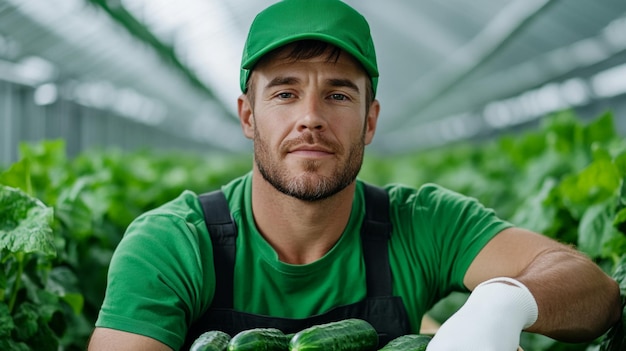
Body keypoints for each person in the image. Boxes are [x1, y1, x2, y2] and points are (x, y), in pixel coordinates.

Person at [88, 0, 621, 350]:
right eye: (285, 92)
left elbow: (594, 292)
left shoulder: (421, 223)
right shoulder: (173, 242)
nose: (311, 116)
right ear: (248, 115)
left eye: (338, 93)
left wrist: (506, 301)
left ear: (370, 119)